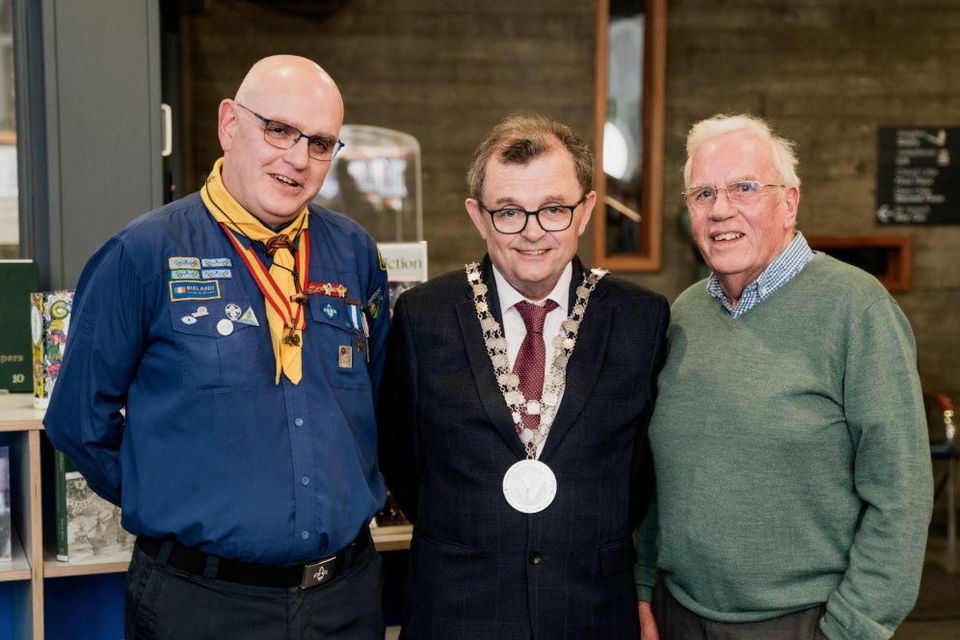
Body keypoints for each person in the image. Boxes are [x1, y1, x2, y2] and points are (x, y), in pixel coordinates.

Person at [44, 55, 389, 640]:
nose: (298, 159)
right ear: (230, 124)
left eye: (321, 143)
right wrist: (168, 492)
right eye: (279, 130)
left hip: (344, 601)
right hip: (200, 604)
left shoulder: (353, 252)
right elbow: (78, 421)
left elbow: (378, 396)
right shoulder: (142, 255)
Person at [634, 114, 933, 640]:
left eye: (744, 188)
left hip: (804, 623)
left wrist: (851, 629)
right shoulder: (683, 315)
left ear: (789, 202)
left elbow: (901, 495)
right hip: (678, 613)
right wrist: (643, 590)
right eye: (703, 193)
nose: (721, 209)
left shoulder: (857, 309)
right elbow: (670, 477)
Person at [378, 114, 669, 639]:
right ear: (478, 216)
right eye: (509, 211)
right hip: (458, 610)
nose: (533, 232)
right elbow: (403, 459)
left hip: (592, 612)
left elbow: (641, 473)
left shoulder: (640, 319)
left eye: (554, 209)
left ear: (585, 212)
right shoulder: (423, 317)